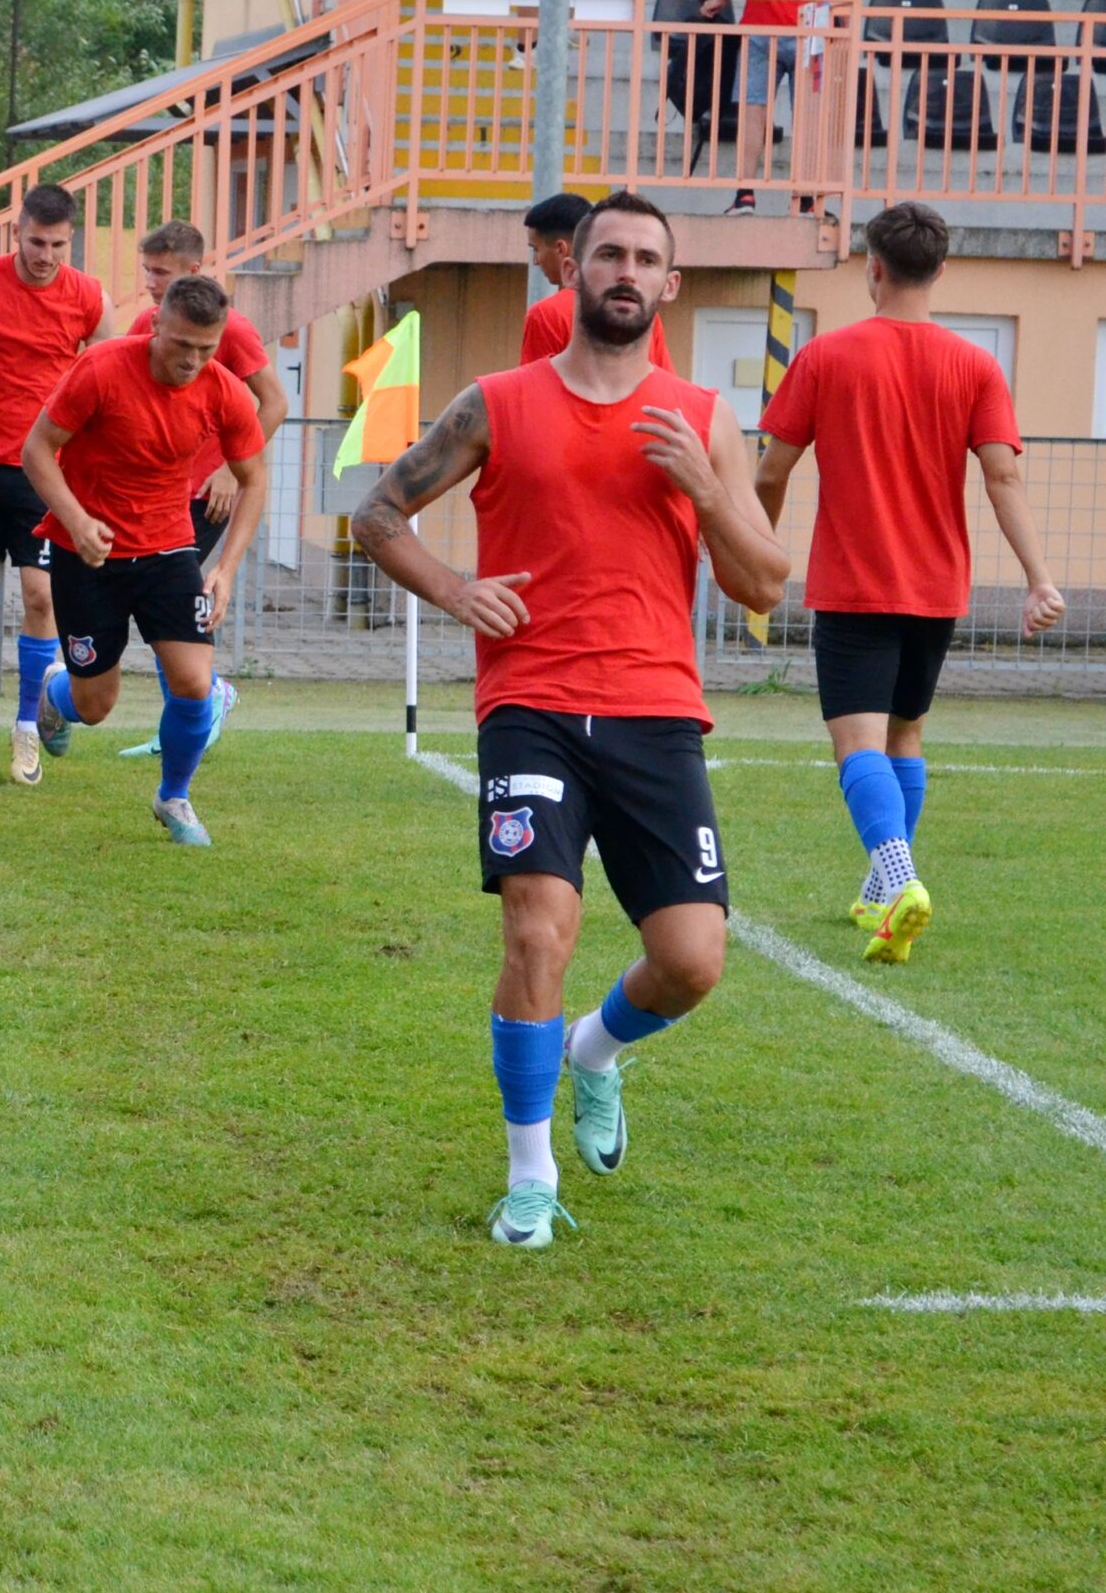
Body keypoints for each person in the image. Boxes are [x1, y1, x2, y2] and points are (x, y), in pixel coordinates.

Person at [350, 192, 789, 1249]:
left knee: (691, 959)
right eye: (608, 254)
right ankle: (530, 1176)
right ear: (572, 271)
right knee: (537, 924)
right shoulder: (496, 402)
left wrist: (708, 491)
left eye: (646, 258)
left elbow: (766, 582)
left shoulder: (700, 416)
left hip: (655, 711)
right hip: (530, 705)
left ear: (667, 285)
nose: (626, 271)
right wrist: (455, 591)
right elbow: (375, 512)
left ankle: (593, 1050)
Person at [754, 202, 1063, 963]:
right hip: (937, 589)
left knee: (855, 745)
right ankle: (880, 891)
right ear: (942, 270)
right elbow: (1005, 475)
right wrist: (1038, 578)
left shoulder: (826, 357)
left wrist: (754, 546)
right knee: (906, 734)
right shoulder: (977, 365)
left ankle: (900, 878)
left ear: (874, 267)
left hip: (856, 585)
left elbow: (771, 470)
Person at [18, 276, 266, 845]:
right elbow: (37, 448)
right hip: (88, 554)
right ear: (156, 326)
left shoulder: (223, 389)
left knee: (194, 683)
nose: (193, 360)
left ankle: (173, 796)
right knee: (96, 704)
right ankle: (58, 694)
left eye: (206, 349)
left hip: (169, 548)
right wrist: (78, 522)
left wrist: (224, 568)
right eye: (182, 345)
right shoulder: (103, 368)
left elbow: (254, 480)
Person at [0, 182, 121, 787]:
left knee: (42, 598)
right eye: (36, 242)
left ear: (72, 239)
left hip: (47, 474)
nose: (45, 255)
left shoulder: (89, 296)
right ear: (17, 232)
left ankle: (26, 733)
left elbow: (111, 380)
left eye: (58, 244)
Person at [114, 221, 290, 759]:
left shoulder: (229, 329)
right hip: (158, 489)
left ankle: (207, 698)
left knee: (177, 598)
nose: (149, 281)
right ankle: (190, 712)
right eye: (146, 270)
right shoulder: (150, 324)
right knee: (164, 603)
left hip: (204, 494)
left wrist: (229, 472)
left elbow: (275, 402)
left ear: (192, 270)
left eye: (160, 272)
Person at [702, 0, 859, 215]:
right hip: (813, 28)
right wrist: (849, 29)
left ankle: (745, 196)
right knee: (809, 116)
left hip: (762, 24)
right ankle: (804, 200)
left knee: (753, 111)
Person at [521, 193, 672, 368]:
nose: (536, 260)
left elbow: (533, 391)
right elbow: (667, 385)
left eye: (535, 249)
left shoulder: (546, 314)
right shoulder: (640, 313)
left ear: (561, 249)